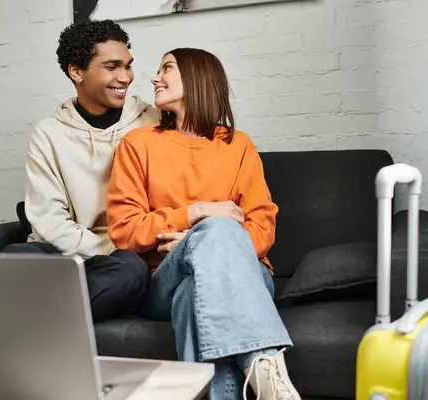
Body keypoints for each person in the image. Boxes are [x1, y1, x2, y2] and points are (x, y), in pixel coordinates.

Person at [106, 48, 301, 400]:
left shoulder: (238, 145)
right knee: (217, 228)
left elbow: (262, 229)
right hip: (163, 279)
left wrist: (194, 241)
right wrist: (198, 214)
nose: (154, 77)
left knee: (192, 296)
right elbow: (125, 230)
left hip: (246, 275)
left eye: (167, 68)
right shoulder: (138, 144)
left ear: (198, 78)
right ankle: (265, 365)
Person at [3, 19, 159, 323]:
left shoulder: (151, 122)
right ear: (76, 71)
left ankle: (25, 323)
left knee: (130, 271)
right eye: (112, 66)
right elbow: (49, 222)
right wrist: (102, 249)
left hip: (122, 260)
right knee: (14, 257)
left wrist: (123, 250)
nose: (125, 77)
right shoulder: (48, 134)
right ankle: (46, 319)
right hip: (64, 256)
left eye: (128, 66)